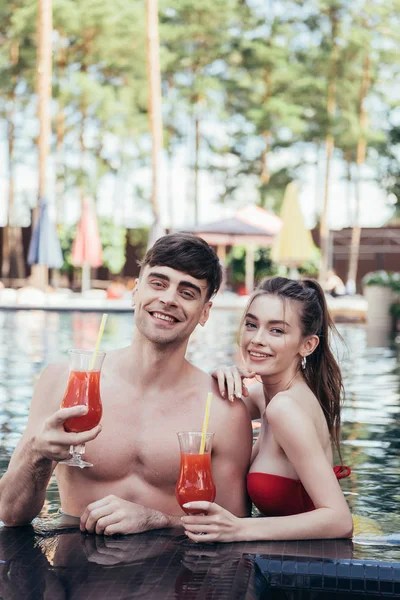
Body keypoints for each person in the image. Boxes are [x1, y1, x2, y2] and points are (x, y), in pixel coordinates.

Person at [0, 233, 252, 534]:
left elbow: (234, 528)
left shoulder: (223, 409)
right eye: (158, 283)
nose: (168, 299)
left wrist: (156, 519)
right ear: (135, 291)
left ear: (205, 312)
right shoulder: (61, 382)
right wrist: (37, 452)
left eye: (187, 293)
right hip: (74, 573)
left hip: (171, 572)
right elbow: (11, 513)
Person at [182, 276, 354, 542]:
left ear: (307, 345)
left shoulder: (284, 408)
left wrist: (238, 529)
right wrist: (218, 376)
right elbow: (204, 414)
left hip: (305, 568)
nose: (257, 339)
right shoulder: (267, 396)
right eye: (251, 325)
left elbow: (339, 520)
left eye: (277, 331)